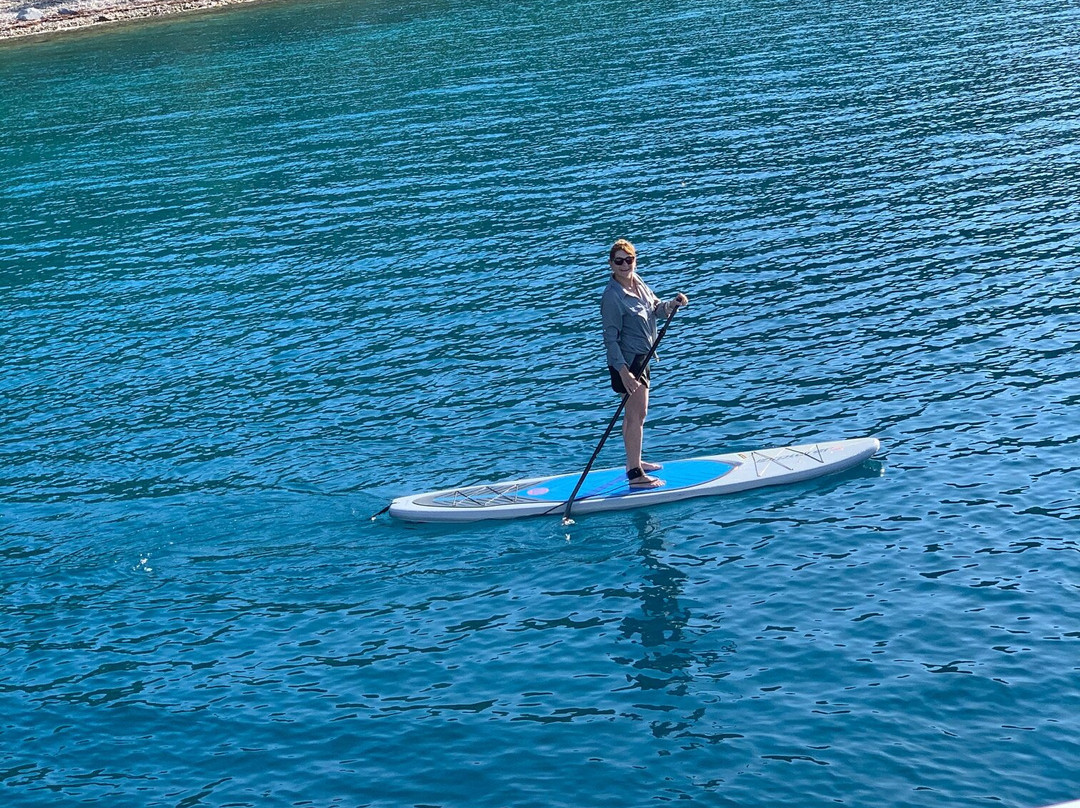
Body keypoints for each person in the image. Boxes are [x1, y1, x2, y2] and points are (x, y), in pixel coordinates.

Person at [600, 239, 689, 489]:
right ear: (611, 264)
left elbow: (655, 309)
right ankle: (636, 476)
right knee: (636, 416)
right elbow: (610, 339)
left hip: (643, 357)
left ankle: (633, 462)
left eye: (629, 260)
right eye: (619, 261)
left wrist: (672, 305)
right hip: (628, 364)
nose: (625, 265)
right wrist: (624, 372)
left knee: (635, 416)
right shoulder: (612, 297)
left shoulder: (638, 283)